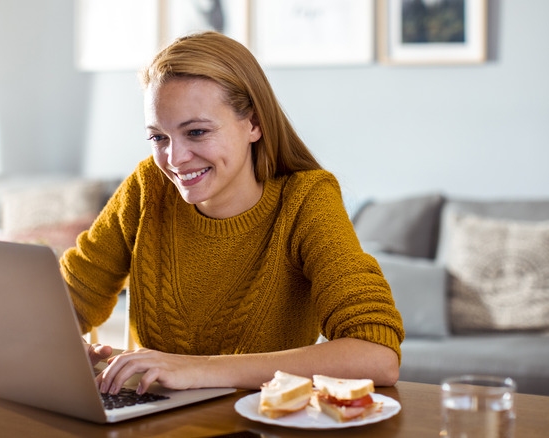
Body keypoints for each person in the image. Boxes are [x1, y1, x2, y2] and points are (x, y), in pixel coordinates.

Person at [59, 31, 404, 396]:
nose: (174, 160)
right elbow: (66, 302)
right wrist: (57, 343)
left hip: (259, 424)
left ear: (253, 124)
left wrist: (200, 370)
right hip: (155, 423)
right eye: (159, 138)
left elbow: (377, 356)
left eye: (196, 132)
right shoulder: (148, 188)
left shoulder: (306, 200)